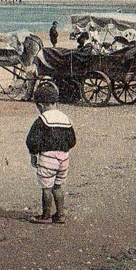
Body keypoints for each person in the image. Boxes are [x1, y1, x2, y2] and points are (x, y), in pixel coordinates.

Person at [26, 81, 77, 224]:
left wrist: (34, 154)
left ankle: (46, 215)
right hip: (64, 158)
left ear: (40, 105)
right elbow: (72, 140)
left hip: (48, 158)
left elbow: (32, 140)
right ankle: (60, 214)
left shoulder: (42, 120)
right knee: (58, 187)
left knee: (46, 187)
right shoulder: (65, 118)